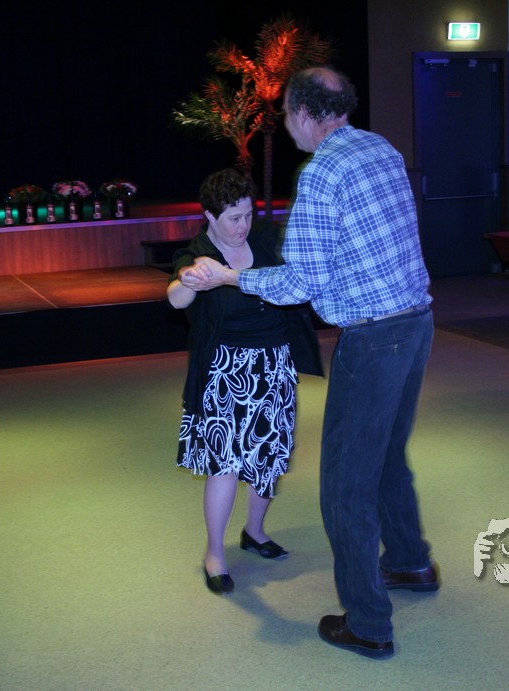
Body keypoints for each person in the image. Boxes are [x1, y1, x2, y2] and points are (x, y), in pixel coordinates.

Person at [181, 66, 437, 659]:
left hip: (373, 339)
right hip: (417, 324)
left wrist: (230, 276)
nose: (286, 124)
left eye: (285, 114)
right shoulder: (381, 148)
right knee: (387, 456)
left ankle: (368, 624)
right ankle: (409, 561)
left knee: (345, 487)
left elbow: (300, 282)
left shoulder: (322, 171)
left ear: (301, 112)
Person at [167, 168, 322, 596]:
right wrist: (189, 279)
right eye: (233, 218)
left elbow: (298, 277)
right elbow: (176, 297)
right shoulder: (197, 253)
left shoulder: (267, 238)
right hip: (224, 372)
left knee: (269, 457)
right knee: (225, 464)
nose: (243, 226)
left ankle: (254, 531)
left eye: (248, 215)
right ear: (210, 216)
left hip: (275, 364)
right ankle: (215, 552)